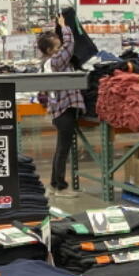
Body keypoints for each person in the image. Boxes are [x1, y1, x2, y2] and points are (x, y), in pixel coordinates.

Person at [37, 15, 85, 198]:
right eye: (56, 48)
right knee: (63, 148)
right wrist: (65, 28)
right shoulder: (55, 62)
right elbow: (69, 45)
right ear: (49, 50)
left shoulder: (50, 62)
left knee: (61, 148)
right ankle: (60, 186)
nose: (60, 50)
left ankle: (55, 184)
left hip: (61, 109)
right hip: (64, 109)